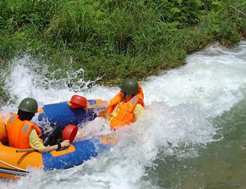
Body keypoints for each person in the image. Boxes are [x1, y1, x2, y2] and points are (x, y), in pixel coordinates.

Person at [75, 78, 145, 140]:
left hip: (115, 133)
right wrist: (90, 107)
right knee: (97, 121)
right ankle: (74, 137)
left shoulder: (137, 107)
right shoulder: (121, 100)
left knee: (94, 136)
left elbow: (143, 123)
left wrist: (127, 131)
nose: (120, 92)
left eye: (122, 91)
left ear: (128, 93)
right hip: (106, 124)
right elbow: (106, 104)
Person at [4, 98, 70, 153]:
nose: (34, 115)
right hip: (32, 151)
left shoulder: (9, 119)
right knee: (56, 128)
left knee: (51, 126)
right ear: (31, 115)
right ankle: (61, 145)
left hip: (14, 147)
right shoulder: (30, 131)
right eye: (33, 114)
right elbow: (42, 149)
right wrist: (60, 145)